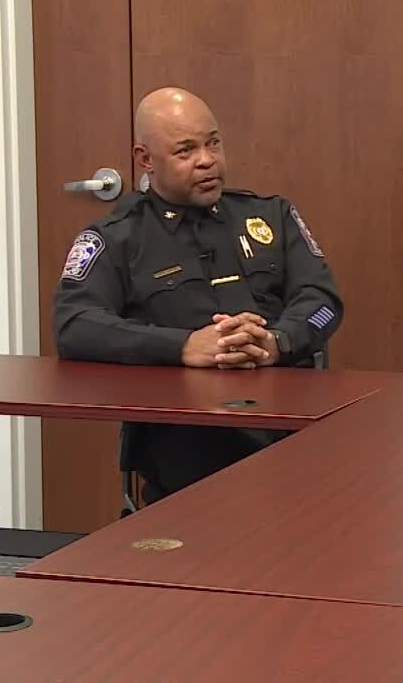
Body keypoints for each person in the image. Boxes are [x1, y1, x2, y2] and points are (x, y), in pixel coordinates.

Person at [53, 87, 343, 503]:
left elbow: (324, 300)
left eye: (213, 143)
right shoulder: (120, 237)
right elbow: (73, 326)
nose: (207, 159)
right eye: (186, 150)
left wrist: (278, 341)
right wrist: (182, 346)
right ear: (145, 159)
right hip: (186, 444)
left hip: (287, 427)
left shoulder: (269, 216)